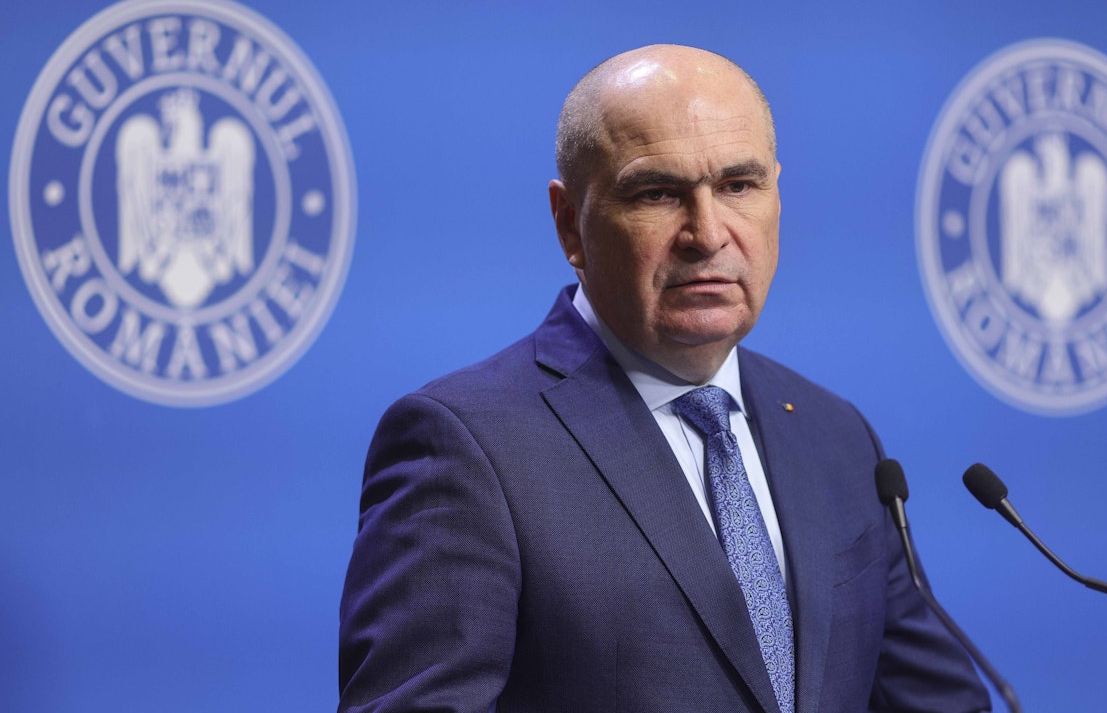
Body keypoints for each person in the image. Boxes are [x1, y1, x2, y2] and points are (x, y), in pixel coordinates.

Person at [338, 45, 990, 713]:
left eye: (738, 186)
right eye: (657, 194)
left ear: (777, 194)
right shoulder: (467, 446)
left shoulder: (836, 436)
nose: (707, 234)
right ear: (570, 224)